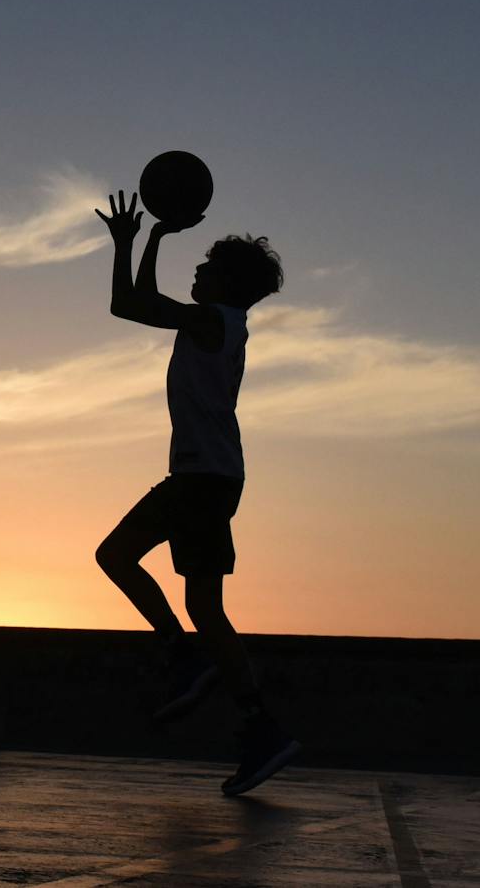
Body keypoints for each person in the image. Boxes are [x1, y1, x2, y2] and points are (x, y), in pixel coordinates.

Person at [92, 190, 299, 796]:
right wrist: (137, 241)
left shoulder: (213, 320)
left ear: (228, 282)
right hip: (208, 476)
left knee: (120, 559)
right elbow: (126, 304)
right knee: (204, 607)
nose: (198, 272)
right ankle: (259, 726)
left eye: (207, 267)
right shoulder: (215, 321)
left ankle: (191, 665)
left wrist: (144, 240)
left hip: (202, 479)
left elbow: (134, 305)